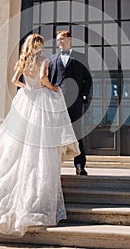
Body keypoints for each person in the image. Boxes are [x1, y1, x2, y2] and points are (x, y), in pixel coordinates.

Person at [0, 33, 80, 237]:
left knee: (21, 141)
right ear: (39, 46)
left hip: (26, 100)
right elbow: (44, 79)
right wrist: (53, 88)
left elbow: (14, 80)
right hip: (40, 100)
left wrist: (26, 87)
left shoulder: (23, 61)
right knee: (40, 141)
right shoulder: (44, 61)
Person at [49, 30, 92, 176]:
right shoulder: (52, 59)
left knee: (77, 133)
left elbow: (88, 79)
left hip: (75, 102)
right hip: (56, 102)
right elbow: (48, 80)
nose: (59, 42)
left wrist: (84, 95)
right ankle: (53, 166)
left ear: (69, 39)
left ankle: (80, 165)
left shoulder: (80, 57)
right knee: (54, 134)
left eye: (62, 39)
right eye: (57, 40)